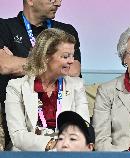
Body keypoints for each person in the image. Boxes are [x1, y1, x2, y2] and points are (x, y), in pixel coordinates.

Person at [0, 0, 81, 149]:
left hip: (61, 132)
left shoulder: (66, 31)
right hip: (14, 114)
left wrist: (18, 62)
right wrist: (52, 64)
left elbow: (74, 70)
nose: (59, 3)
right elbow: (4, 65)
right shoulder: (4, 27)